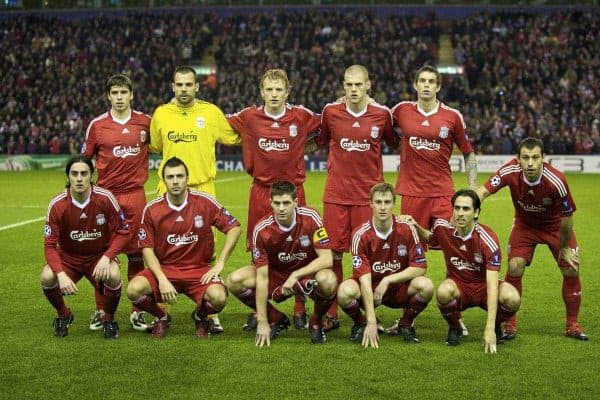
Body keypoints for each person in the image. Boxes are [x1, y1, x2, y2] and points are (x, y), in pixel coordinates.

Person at [227, 69, 321, 330]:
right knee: (259, 247)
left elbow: (331, 122)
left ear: (287, 92)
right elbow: (218, 122)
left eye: (279, 89)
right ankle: (263, 311)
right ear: (261, 91)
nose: (274, 94)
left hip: (293, 193)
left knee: (301, 250)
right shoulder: (249, 117)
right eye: (269, 89)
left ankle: (300, 306)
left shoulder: (301, 116)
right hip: (261, 192)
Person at [149, 66, 241, 333]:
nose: (184, 89)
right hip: (166, 188)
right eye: (179, 85)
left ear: (197, 87)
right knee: (160, 246)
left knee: (206, 248)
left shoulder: (211, 113)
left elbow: (235, 136)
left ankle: (209, 308)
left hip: (203, 187)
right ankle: (161, 308)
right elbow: (155, 144)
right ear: (172, 87)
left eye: (189, 84)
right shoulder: (161, 114)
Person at [389, 64, 477, 335]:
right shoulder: (401, 111)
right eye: (422, 81)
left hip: (442, 194)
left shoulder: (452, 116)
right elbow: (382, 127)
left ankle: (455, 312)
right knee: (410, 257)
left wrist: (472, 190)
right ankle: (406, 319)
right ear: (415, 84)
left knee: (454, 253)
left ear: (438, 87)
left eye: (431, 81)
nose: (426, 85)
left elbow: (468, 152)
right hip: (412, 195)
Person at [476, 137, 587, 340]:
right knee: (515, 266)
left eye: (535, 157)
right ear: (517, 159)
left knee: (571, 268)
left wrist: (564, 247)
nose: (530, 163)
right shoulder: (509, 171)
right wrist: (469, 209)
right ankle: (510, 323)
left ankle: (572, 324)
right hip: (525, 225)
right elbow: (482, 192)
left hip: (555, 227)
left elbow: (568, 217)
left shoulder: (557, 180)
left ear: (543, 158)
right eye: (525, 158)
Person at [317, 64, 397, 331]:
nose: (353, 90)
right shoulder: (330, 112)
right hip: (336, 196)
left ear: (368, 85)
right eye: (348, 85)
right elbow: (321, 140)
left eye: (358, 84)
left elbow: (396, 142)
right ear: (343, 85)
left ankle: (359, 310)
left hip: (367, 199)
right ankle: (331, 312)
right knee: (334, 256)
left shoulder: (382, 114)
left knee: (362, 255)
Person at [126, 157, 241, 339]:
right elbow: (146, 249)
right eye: (170, 177)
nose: (175, 181)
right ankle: (162, 316)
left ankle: (200, 316)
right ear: (164, 181)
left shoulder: (204, 202)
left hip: (199, 270)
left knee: (219, 298)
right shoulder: (152, 209)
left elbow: (234, 227)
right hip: (166, 269)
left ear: (187, 178)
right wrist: (162, 278)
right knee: (133, 290)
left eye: (180, 176)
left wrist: (220, 264)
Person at [403, 189, 520, 353]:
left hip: (484, 286)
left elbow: (492, 285)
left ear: (476, 212)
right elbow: (431, 238)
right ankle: (454, 326)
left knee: (512, 297)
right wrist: (415, 226)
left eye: (466, 209)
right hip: (459, 286)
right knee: (443, 291)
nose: (460, 213)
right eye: (457, 208)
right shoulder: (442, 227)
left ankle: (496, 327)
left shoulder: (488, 239)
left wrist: (489, 327)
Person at [225, 180, 337, 346]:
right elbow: (262, 277)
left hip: (306, 272)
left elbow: (327, 258)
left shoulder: (311, 217)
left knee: (328, 280)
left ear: (296, 202)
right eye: (277, 203)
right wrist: (263, 321)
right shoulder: (262, 230)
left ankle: (315, 322)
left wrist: (296, 275)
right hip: (275, 275)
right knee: (233, 281)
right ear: (271, 203)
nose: (281, 208)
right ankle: (275, 318)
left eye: (286, 203)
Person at [82, 73, 151, 332]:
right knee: (103, 257)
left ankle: (138, 310)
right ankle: (101, 309)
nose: (120, 97)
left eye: (124, 93)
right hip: (106, 197)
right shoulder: (97, 125)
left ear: (131, 94)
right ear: (108, 96)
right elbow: (84, 161)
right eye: (115, 93)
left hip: (135, 196)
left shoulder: (145, 122)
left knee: (137, 255)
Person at [40, 156, 131, 339]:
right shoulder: (57, 205)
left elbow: (124, 232)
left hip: (98, 257)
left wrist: (107, 257)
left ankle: (108, 319)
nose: (79, 178)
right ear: (68, 176)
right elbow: (50, 246)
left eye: (84, 173)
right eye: (74, 174)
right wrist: (61, 274)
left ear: (91, 175)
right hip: (69, 258)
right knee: (47, 276)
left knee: (113, 275)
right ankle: (64, 315)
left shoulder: (105, 198)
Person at [337, 183, 433, 348]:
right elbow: (364, 278)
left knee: (426, 286)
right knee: (344, 292)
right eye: (378, 202)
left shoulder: (407, 229)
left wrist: (388, 280)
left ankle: (405, 323)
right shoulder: (360, 234)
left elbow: (420, 266)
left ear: (393, 203)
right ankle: (360, 323)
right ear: (371, 204)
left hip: (398, 289)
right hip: (370, 289)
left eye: (387, 202)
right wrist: (371, 320)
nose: (382, 207)